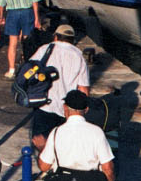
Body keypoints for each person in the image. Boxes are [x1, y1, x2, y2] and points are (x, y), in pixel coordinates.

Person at [37, 88, 115, 181]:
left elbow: (44, 166)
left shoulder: (56, 132)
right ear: (86, 110)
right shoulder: (96, 132)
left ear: (65, 107)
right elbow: (107, 167)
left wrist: (42, 147)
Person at [25, 25, 92, 156]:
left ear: (55, 37)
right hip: (66, 109)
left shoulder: (44, 50)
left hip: (43, 104)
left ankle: (47, 165)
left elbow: (28, 72)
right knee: (63, 144)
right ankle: (58, 166)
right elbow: (83, 88)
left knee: (39, 141)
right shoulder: (78, 56)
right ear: (72, 40)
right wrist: (83, 108)